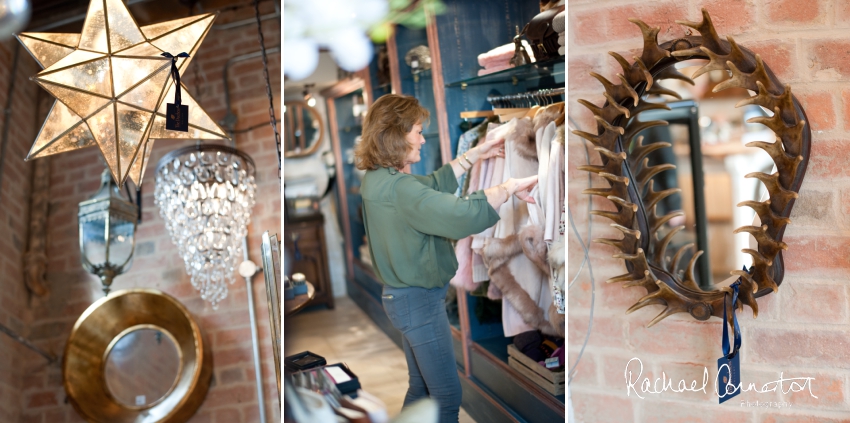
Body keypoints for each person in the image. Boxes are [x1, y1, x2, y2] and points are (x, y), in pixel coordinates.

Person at [354, 94, 537, 423]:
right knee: (446, 394)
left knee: (421, 389)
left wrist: (475, 154)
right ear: (395, 135)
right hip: (419, 302)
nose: (422, 139)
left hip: (403, 299)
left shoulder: (378, 181)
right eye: (417, 131)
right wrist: (507, 187)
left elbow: (432, 184)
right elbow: (462, 214)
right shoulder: (399, 189)